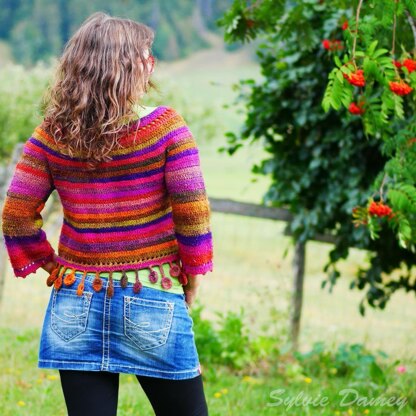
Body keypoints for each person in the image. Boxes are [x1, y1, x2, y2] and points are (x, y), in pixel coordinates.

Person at [1, 11, 213, 416]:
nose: (153, 64)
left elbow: (14, 215)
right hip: (151, 292)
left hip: (75, 297)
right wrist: (194, 274)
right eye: (146, 56)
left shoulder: (49, 136)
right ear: (127, 67)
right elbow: (193, 212)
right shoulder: (168, 128)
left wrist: (55, 267)